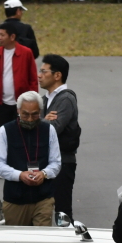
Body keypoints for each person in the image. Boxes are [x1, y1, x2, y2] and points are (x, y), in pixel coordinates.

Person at [0, 91, 61, 226]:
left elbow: (56, 162)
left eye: (34, 114)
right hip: (15, 199)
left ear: (40, 111)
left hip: (43, 198)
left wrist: (44, 173)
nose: (30, 119)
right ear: (18, 110)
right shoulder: (5, 131)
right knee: (17, 242)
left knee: (42, 241)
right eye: (25, 114)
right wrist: (20, 175)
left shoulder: (49, 130)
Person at [39, 54, 80, 219]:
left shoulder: (66, 99)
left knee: (62, 212)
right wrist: (43, 121)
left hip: (63, 163)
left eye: (44, 71)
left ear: (57, 75)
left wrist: (39, 122)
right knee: (41, 209)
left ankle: (67, 242)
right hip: (45, 162)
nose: (39, 75)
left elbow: (53, 129)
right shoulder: (45, 99)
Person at [0, 23, 38, 128]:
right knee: (5, 133)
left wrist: (33, 99)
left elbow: (33, 79)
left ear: (12, 37)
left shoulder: (26, 53)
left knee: (22, 133)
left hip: (22, 104)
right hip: (2, 104)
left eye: (2, 35)